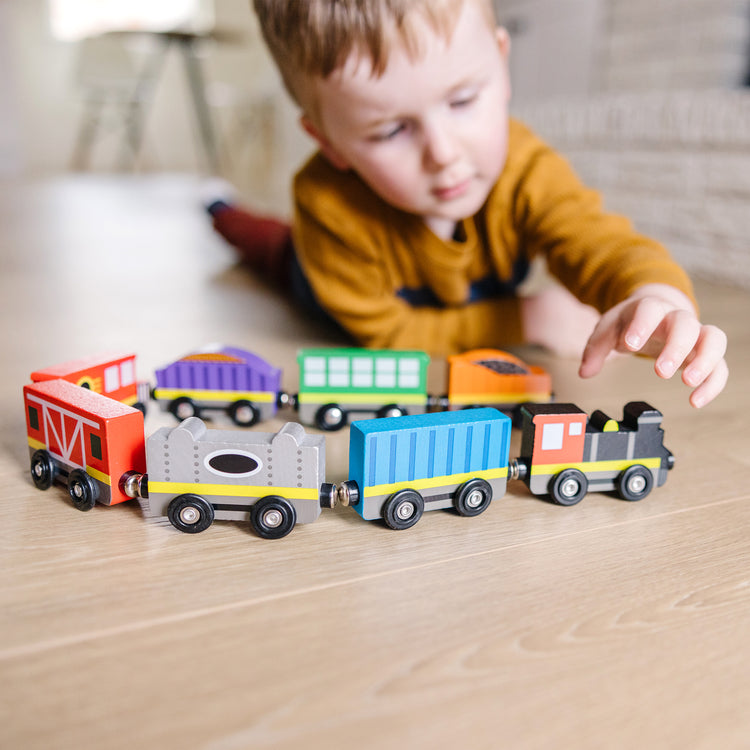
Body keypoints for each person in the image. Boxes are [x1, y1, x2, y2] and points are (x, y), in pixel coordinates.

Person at [209, 0, 727, 408]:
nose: (443, 153)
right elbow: (389, 334)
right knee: (270, 247)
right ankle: (219, 211)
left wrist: (654, 294)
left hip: (450, 294)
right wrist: (524, 320)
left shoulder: (525, 169)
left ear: (502, 66)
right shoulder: (326, 205)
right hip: (322, 279)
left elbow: (597, 240)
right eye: (392, 130)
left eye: (461, 102)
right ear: (329, 143)